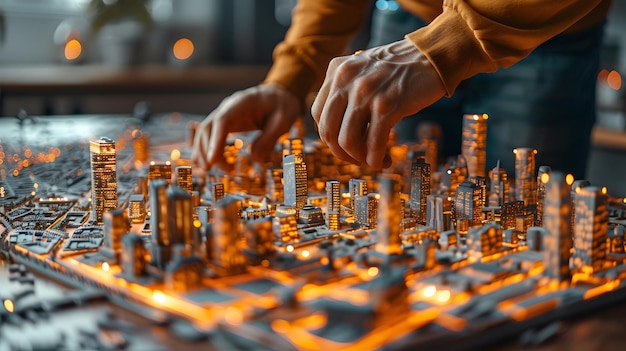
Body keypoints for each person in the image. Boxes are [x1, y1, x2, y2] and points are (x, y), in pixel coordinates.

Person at [192, 0, 611, 178]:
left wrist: (449, 44)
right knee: (407, 203)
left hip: (548, 34)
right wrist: (290, 77)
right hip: (405, 26)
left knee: (534, 227)